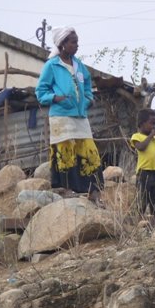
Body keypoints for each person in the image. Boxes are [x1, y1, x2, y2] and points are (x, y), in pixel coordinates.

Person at [35, 26, 104, 203]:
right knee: (64, 151)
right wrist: (56, 98)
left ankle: (93, 190)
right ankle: (66, 189)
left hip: (80, 115)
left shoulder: (79, 65)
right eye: (73, 42)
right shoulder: (52, 65)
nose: (77, 45)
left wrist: (88, 98)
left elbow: (87, 83)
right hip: (61, 116)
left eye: (77, 42)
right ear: (63, 44)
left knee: (88, 151)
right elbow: (40, 91)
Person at [130, 108, 155, 227]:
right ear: (142, 123)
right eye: (152, 123)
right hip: (144, 173)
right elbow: (141, 147)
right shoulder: (137, 136)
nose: (154, 126)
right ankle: (140, 222)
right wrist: (151, 135)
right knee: (142, 197)